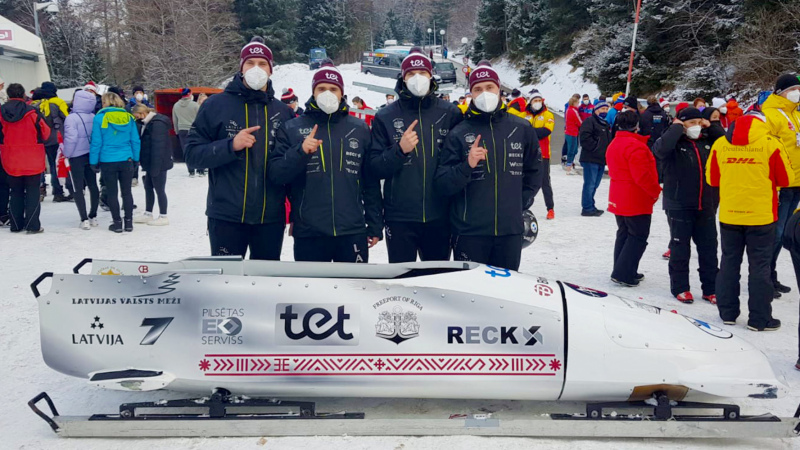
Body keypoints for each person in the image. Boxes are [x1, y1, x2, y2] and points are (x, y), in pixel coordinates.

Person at [185, 37, 296, 260]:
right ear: (241, 68)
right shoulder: (215, 105)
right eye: (250, 63)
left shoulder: (283, 112)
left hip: (269, 218)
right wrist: (230, 146)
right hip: (226, 216)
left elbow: (291, 166)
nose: (256, 68)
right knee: (227, 278)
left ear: (271, 70)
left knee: (265, 278)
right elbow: (192, 155)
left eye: (262, 63)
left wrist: (294, 212)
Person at [269, 60, 382, 263]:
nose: (327, 93)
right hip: (309, 231)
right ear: (313, 92)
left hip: (352, 230)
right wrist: (300, 151)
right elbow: (276, 174)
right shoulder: (293, 128)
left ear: (342, 93)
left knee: (354, 283)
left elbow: (370, 181)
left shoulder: (359, 128)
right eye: (321, 89)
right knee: (312, 285)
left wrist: (374, 224)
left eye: (333, 89)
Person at [435, 61, 542, 271]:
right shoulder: (459, 133)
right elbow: (442, 183)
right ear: (471, 94)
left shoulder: (521, 128)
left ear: (499, 89)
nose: (484, 93)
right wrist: (467, 165)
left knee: (506, 286)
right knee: (471, 288)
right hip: (469, 232)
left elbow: (535, 170)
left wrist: (519, 202)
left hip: (509, 231)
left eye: (489, 87)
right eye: (478, 89)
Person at [368, 47, 462, 263]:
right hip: (400, 217)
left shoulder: (450, 113)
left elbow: (459, 164)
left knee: (437, 277)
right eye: (411, 73)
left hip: (440, 215)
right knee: (402, 278)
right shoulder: (386, 116)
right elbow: (374, 167)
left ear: (431, 76)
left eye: (422, 73)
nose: (417, 78)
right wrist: (399, 150)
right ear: (402, 77)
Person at [707, 112, 793, 331]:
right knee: (760, 267)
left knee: (728, 263)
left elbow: (712, 179)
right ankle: (760, 319)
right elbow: (786, 179)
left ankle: (727, 313)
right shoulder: (770, 144)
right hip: (761, 216)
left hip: (730, 214)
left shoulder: (720, 144)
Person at [653, 107, 724, 303]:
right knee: (680, 249)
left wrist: (713, 125)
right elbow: (660, 149)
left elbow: (727, 142)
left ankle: (711, 288)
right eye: (691, 123)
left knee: (709, 248)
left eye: (699, 122)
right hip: (679, 204)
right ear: (681, 123)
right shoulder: (673, 141)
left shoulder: (707, 140)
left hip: (706, 203)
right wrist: (676, 128)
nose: (696, 126)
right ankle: (680, 287)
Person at [607, 111, 662, 286]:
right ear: (636, 126)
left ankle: (623, 268)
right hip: (635, 197)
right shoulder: (636, 146)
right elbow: (642, 176)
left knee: (624, 233)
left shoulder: (614, 143)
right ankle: (624, 272)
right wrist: (655, 191)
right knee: (638, 236)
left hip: (618, 194)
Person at [762, 74, 800, 298]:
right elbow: (767, 150)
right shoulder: (771, 114)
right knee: (775, 233)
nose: (797, 93)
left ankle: (771, 275)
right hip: (781, 185)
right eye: (793, 89)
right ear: (781, 92)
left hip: (797, 182)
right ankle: (764, 277)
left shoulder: (796, 114)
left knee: (785, 232)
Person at [0, 83, 51, 233]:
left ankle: (16, 224)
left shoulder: (1, 113)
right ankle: (32, 225)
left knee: (15, 191)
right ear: (23, 94)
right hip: (33, 157)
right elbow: (46, 133)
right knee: (33, 191)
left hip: (10, 157)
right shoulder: (33, 112)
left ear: (8, 95)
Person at [90, 92, 140, 233]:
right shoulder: (128, 117)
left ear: (105, 103)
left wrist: (93, 161)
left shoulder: (99, 118)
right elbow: (135, 140)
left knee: (112, 193)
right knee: (127, 192)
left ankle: (117, 223)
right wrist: (136, 158)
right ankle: (129, 223)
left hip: (108, 160)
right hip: (126, 158)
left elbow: (96, 142)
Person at [62, 89, 99, 229]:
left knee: (77, 187)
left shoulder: (71, 118)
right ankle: (93, 215)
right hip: (91, 154)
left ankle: (84, 219)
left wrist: (67, 153)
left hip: (76, 156)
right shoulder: (93, 116)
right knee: (93, 185)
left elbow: (71, 138)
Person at [133, 104, 172, 226]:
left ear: (142, 113)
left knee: (159, 189)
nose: (137, 119)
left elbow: (158, 147)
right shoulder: (147, 123)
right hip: (150, 162)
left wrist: (155, 167)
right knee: (148, 187)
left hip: (159, 163)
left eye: (137, 116)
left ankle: (163, 215)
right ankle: (148, 213)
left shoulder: (157, 124)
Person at [37, 81, 71, 202]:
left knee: (48, 165)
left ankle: (47, 189)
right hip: (57, 138)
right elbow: (68, 118)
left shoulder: (39, 104)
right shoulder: (58, 102)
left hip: (43, 139)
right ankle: (58, 192)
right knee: (57, 165)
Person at [526, 90, 556, 220]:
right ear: (530, 102)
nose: (537, 103)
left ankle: (550, 208)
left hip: (543, 154)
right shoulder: (525, 115)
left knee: (545, 182)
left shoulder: (548, 114)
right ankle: (522, 206)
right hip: (527, 154)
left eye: (539, 100)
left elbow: (546, 131)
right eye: (535, 100)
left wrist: (530, 131)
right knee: (525, 181)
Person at [578, 100, 611, 216]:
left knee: (595, 184)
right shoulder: (589, 121)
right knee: (590, 184)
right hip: (590, 158)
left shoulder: (605, 123)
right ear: (596, 110)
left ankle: (591, 204)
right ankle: (587, 208)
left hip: (601, 159)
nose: (604, 111)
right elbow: (584, 138)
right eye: (602, 109)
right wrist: (595, 147)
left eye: (606, 109)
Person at [171, 88, 202, 177]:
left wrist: (177, 131)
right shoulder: (195, 105)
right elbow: (200, 118)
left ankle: (191, 171)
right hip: (194, 129)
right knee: (197, 149)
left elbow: (175, 120)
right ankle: (200, 170)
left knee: (187, 150)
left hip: (182, 130)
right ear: (189, 94)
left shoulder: (176, 105)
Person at [564, 94, 582, 174]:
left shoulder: (569, 109)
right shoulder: (573, 111)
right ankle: (569, 167)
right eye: (577, 102)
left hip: (570, 132)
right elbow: (579, 122)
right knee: (572, 150)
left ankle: (570, 165)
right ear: (574, 103)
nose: (578, 104)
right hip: (572, 132)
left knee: (573, 149)